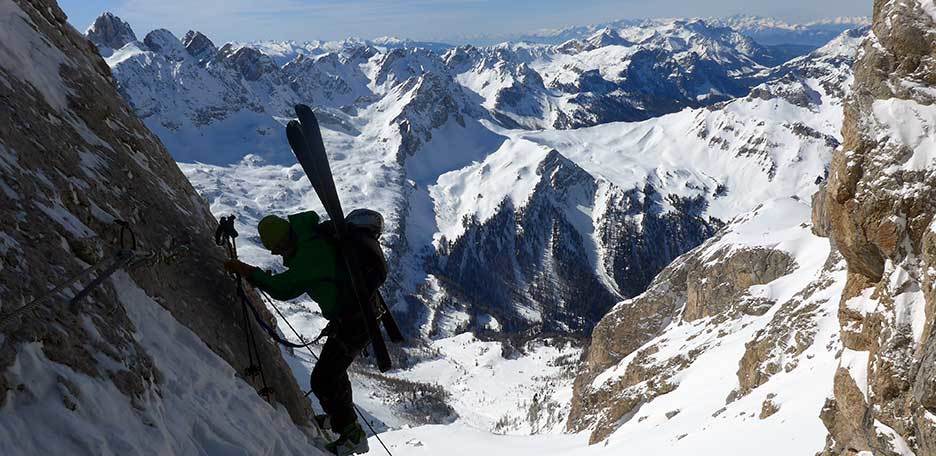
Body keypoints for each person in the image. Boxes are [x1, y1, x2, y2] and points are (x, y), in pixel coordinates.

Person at [224, 211, 370, 456]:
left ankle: (352, 435)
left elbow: (283, 288)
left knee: (323, 379)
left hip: (353, 321)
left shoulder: (309, 253)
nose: (280, 255)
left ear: (283, 240)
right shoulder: (310, 238)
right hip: (356, 317)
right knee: (333, 372)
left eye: (279, 249)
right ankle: (342, 422)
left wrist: (249, 272)